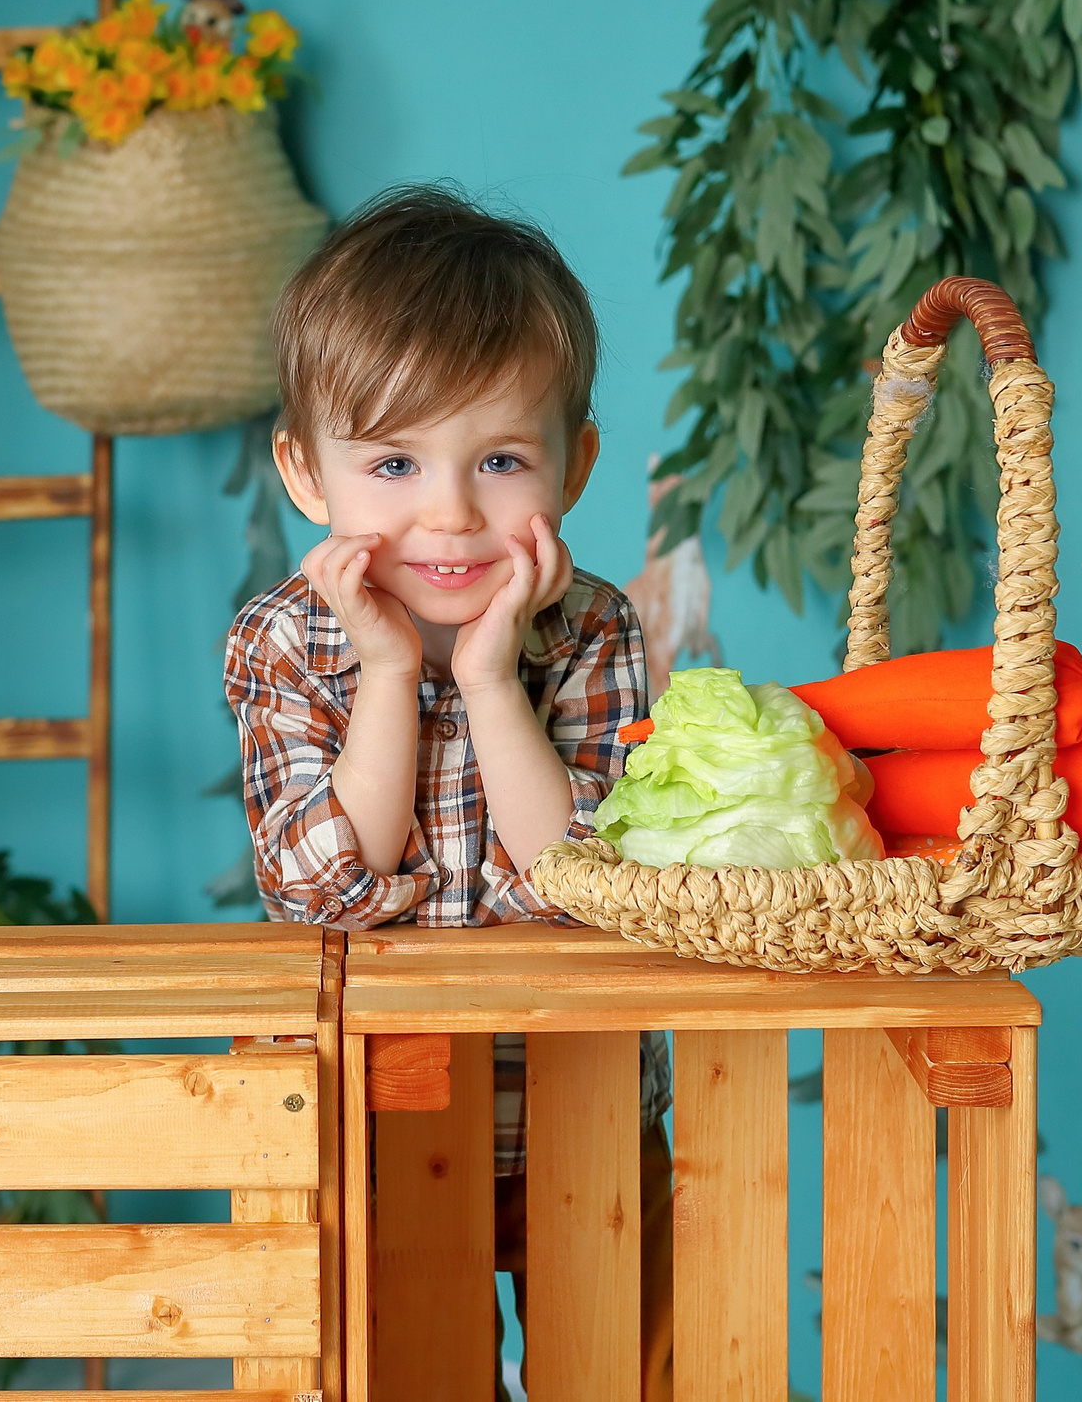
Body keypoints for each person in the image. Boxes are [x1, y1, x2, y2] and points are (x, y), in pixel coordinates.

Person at [223, 184, 672, 1399]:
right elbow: (325, 887)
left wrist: (487, 682)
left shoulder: (587, 630)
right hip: (384, 1117)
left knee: (621, 1370)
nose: (451, 514)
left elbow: (592, 889)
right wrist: (383, 671)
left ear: (574, 465)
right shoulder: (285, 641)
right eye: (392, 462)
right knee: (415, 1372)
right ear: (305, 476)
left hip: (578, 1103)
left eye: (501, 459)